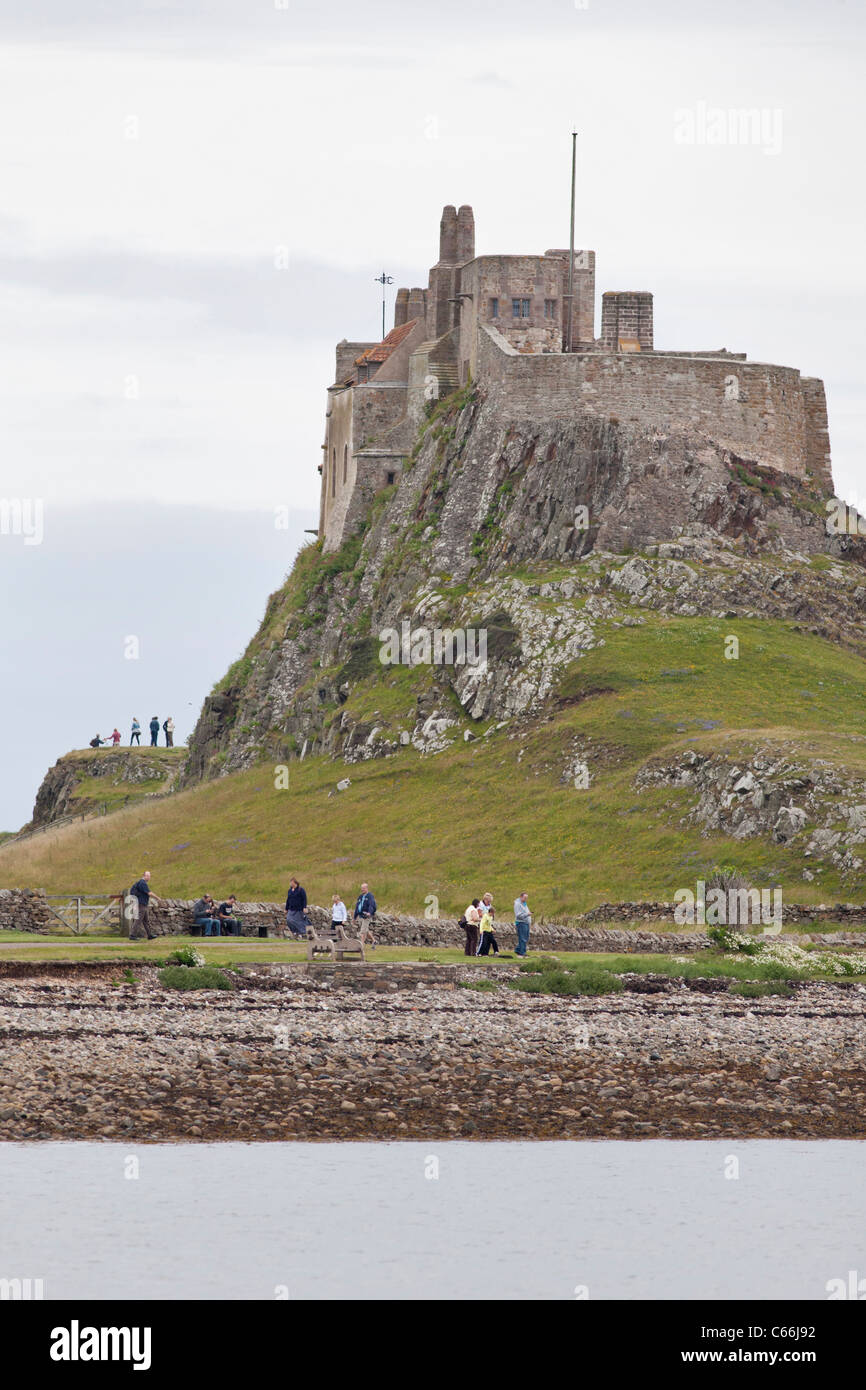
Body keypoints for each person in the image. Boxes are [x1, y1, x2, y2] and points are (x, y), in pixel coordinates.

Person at [129, 870, 158, 940]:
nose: (149, 877)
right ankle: (132, 935)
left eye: (149, 876)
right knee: (138, 920)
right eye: (147, 876)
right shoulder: (142, 883)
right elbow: (149, 893)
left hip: (143, 904)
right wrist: (158, 898)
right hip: (141, 904)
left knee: (146, 921)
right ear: (144, 876)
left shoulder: (141, 882)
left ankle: (149, 935)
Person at [353, 883, 377, 948]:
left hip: (367, 916)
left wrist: (369, 912)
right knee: (365, 930)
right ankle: (374, 940)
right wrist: (354, 917)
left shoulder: (370, 896)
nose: (362, 889)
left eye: (363, 888)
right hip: (361, 916)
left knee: (362, 932)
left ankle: (361, 946)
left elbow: (371, 905)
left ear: (367, 888)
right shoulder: (360, 897)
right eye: (362, 888)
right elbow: (357, 907)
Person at [514, 892, 532, 957]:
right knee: (522, 938)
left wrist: (529, 922)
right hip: (521, 923)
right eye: (525, 897)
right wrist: (527, 914)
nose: (526, 899)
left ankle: (518, 950)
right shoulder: (517, 904)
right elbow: (518, 915)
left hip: (526, 923)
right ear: (521, 897)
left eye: (526, 898)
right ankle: (522, 952)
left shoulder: (524, 904)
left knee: (526, 938)